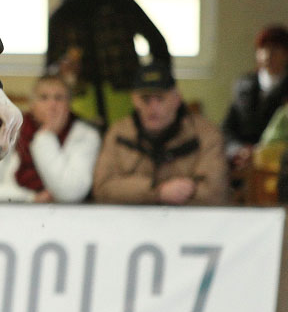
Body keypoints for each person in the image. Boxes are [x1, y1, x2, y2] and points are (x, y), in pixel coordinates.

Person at [46, 0, 171, 129]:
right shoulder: (62, 15)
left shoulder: (119, 3)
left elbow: (157, 42)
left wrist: (152, 83)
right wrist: (63, 70)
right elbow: (49, 68)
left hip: (123, 94)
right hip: (82, 101)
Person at [92, 62, 229, 205]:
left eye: (160, 98)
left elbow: (215, 191)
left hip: (189, 222)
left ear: (177, 99)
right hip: (131, 222)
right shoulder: (118, 133)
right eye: (145, 99)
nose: (153, 108)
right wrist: (157, 191)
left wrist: (180, 192)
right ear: (134, 99)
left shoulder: (206, 134)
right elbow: (102, 188)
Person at [0, 74, 101, 203]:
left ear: (69, 104)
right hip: (10, 216)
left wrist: (45, 136)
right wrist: (30, 198)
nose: (52, 105)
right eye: (44, 98)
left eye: (59, 98)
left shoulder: (85, 135)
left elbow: (70, 192)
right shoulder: (8, 130)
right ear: (32, 104)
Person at [222, 25, 288, 171]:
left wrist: (261, 153)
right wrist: (238, 150)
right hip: (242, 160)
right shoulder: (244, 85)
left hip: (279, 163)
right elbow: (227, 129)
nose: (268, 55)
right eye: (263, 49)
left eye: (275, 49)